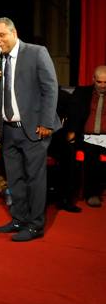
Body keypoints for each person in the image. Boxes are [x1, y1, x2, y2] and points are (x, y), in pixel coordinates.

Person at [0, 17, 60, 241]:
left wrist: (46, 123)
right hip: (8, 130)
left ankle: (36, 225)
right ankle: (19, 219)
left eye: (1, 35)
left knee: (35, 179)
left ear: (14, 32)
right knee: (14, 178)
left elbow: (50, 88)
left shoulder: (37, 53)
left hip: (34, 129)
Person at [66, 65, 106, 207]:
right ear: (93, 79)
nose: (102, 85)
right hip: (88, 137)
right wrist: (71, 131)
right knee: (91, 152)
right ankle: (92, 193)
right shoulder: (82, 93)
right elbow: (73, 115)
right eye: (99, 82)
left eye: (105, 82)